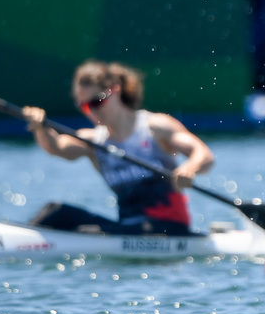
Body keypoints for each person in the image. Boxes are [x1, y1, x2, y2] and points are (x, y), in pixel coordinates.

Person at [22, 60, 215, 235]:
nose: (92, 111)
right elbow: (56, 147)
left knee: (91, 232)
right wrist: (40, 127)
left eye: (97, 102)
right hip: (127, 227)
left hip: (168, 226)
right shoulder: (93, 141)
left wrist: (189, 169)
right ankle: (21, 239)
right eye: (85, 106)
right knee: (55, 211)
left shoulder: (155, 127)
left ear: (115, 91)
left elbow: (204, 154)